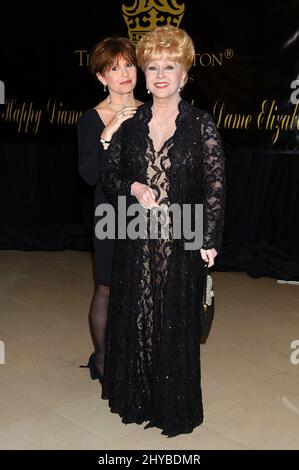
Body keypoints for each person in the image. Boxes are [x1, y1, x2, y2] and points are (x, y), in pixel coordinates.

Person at [100, 25, 226, 437]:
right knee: (138, 312)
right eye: (152, 66)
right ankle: (136, 395)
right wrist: (133, 187)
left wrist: (208, 238)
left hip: (183, 238)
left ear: (184, 74)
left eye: (169, 66)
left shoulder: (201, 124)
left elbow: (214, 186)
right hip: (136, 236)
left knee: (174, 319)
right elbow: (109, 174)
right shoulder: (131, 123)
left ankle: (172, 403)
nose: (159, 74)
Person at [77, 37, 143, 383]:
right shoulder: (92, 119)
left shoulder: (154, 111)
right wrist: (109, 131)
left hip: (148, 214)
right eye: (114, 68)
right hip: (110, 215)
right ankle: (102, 360)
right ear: (102, 77)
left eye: (129, 64)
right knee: (107, 287)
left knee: (143, 287)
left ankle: (134, 356)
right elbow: (90, 176)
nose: (124, 73)